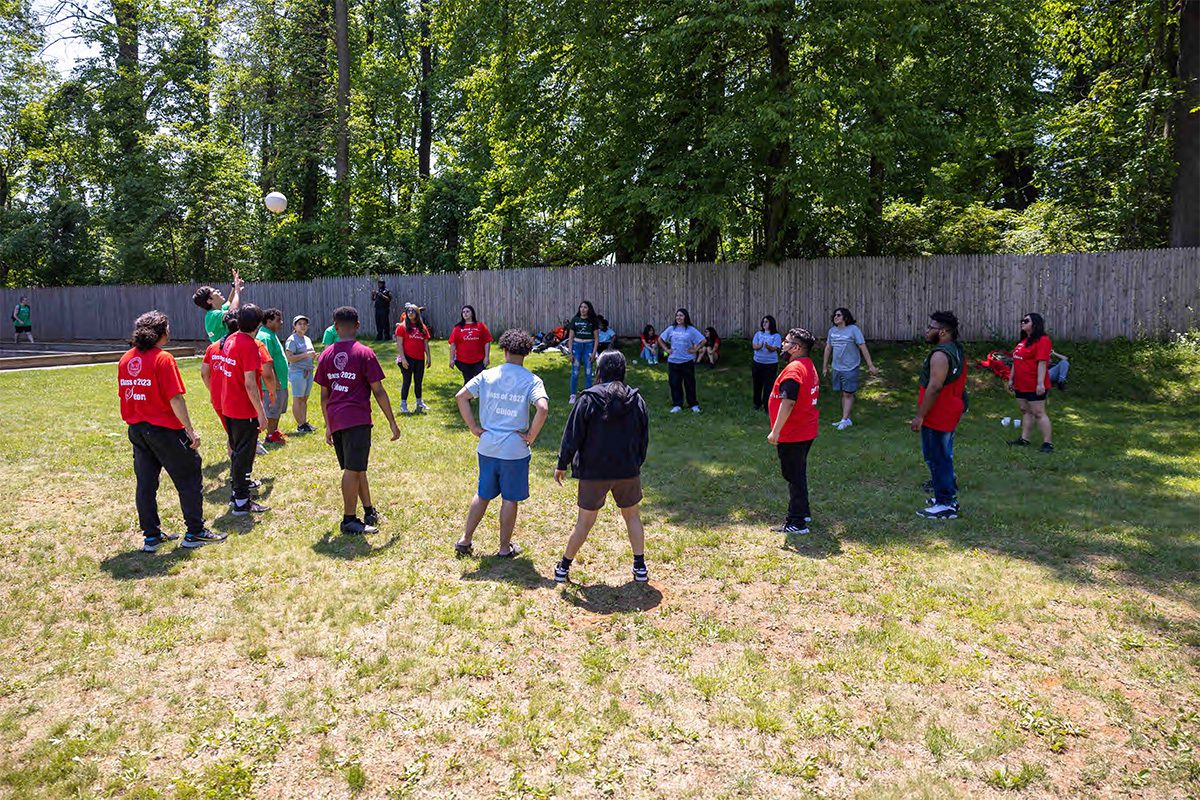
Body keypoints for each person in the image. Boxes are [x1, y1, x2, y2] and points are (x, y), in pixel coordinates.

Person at [119, 311, 224, 551]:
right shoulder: (163, 359)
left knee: (146, 484)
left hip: (137, 430)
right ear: (161, 332)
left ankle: (151, 537)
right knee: (189, 478)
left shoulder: (126, 358)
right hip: (164, 430)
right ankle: (195, 532)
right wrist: (190, 430)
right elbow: (175, 398)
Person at [553, 350, 650, 584]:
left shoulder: (587, 399)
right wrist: (636, 462)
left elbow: (572, 435)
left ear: (600, 371)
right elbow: (643, 437)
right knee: (633, 517)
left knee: (584, 523)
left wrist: (562, 463)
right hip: (627, 469)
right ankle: (640, 567)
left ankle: (563, 568)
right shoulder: (636, 400)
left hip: (594, 471)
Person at [454, 329, 549, 558]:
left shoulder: (487, 375)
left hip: (487, 447)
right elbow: (542, 408)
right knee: (510, 498)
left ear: (504, 350)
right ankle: (504, 547)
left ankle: (465, 540)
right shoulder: (532, 380)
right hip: (514, 450)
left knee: (483, 494)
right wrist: (531, 436)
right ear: (527, 353)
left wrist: (474, 428)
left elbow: (461, 396)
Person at [315, 306, 402, 534]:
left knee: (356, 467)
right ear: (358, 325)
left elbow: (324, 396)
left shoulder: (325, 355)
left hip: (336, 419)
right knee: (353, 470)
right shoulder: (365, 353)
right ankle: (349, 519)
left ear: (335, 328)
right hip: (357, 419)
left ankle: (368, 509)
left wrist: (328, 425)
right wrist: (392, 421)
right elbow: (379, 391)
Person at [911, 310, 967, 519]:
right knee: (940, 456)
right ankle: (943, 496)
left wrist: (920, 415)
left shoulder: (941, 354)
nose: (927, 331)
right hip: (949, 410)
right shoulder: (956, 349)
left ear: (943, 332)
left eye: (931, 328)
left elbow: (935, 386)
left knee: (938, 458)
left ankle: (946, 504)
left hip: (939, 413)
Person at [766, 328, 819, 535]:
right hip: (805, 430)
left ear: (796, 348)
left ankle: (796, 522)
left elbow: (788, 402)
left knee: (793, 476)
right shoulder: (807, 364)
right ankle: (803, 512)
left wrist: (775, 432)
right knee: (799, 473)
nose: (782, 345)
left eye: (786, 342)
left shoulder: (794, 370)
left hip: (794, 433)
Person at [219, 303, 271, 515]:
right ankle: (241, 501)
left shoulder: (230, 339)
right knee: (244, 455)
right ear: (258, 325)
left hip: (228, 405)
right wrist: (261, 413)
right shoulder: (249, 344)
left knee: (238, 452)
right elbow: (250, 383)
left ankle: (236, 494)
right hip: (243, 409)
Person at [822, 307, 879, 431]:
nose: (835, 317)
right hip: (837, 367)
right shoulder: (832, 331)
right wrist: (825, 366)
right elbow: (828, 348)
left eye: (838, 315)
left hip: (850, 367)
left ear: (845, 317)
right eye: (834, 315)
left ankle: (844, 419)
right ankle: (846, 419)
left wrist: (870, 365)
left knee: (848, 393)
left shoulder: (853, 330)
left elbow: (862, 347)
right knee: (843, 393)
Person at [1007, 312, 1054, 452]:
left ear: (1035, 324)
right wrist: (1011, 379)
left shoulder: (1043, 340)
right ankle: (1024, 439)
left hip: (1034, 384)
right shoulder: (1022, 342)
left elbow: (1042, 363)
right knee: (1025, 411)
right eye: (1022, 320)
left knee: (1039, 412)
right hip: (1021, 384)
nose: (1022, 322)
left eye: (1026, 320)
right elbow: (1016, 361)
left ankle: (1048, 443)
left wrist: (1040, 383)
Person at [659, 308, 706, 413]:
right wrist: (666, 349)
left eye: (681, 315)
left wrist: (695, 349)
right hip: (673, 361)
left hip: (687, 361)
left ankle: (693, 404)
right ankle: (677, 404)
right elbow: (660, 339)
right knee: (675, 383)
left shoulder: (690, 329)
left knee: (689, 383)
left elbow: (703, 340)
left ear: (685, 317)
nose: (678, 317)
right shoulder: (671, 329)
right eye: (677, 316)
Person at [394, 303, 432, 414]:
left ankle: (419, 402)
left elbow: (426, 344)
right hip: (407, 358)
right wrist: (403, 359)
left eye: (412, 311)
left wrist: (428, 357)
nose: (410, 313)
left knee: (418, 381)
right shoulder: (402, 327)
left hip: (419, 359)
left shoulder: (423, 327)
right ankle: (403, 404)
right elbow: (399, 344)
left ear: (417, 313)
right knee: (407, 381)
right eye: (408, 311)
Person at [258, 308, 289, 444]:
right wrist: (274, 380)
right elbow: (266, 362)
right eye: (278, 320)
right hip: (272, 383)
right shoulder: (265, 337)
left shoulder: (271, 334)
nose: (281, 323)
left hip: (280, 382)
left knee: (277, 409)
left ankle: (274, 431)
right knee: (272, 409)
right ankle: (270, 436)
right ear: (268, 321)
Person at [285, 314, 317, 432]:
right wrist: (306, 355)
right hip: (297, 372)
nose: (303, 326)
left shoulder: (307, 339)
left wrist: (313, 357)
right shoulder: (292, 340)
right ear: (295, 326)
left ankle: (304, 423)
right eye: (300, 324)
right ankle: (300, 425)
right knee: (298, 399)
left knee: (304, 399)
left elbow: (309, 355)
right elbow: (289, 358)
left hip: (308, 371)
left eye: (305, 324)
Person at [192, 270, 243, 343]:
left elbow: (230, 302)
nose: (218, 291)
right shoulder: (213, 315)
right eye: (214, 291)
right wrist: (237, 292)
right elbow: (232, 313)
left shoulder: (219, 309)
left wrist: (234, 286)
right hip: (222, 351)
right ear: (209, 300)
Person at [448, 305, 493, 384]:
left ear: (472, 313)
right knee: (468, 381)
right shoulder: (458, 328)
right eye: (463, 312)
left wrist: (486, 357)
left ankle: (481, 395)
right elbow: (453, 344)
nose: (465, 313)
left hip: (479, 359)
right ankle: (467, 396)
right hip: (463, 360)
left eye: (467, 311)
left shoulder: (480, 326)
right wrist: (451, 359)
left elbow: (487, 342)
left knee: (480, 380)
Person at [567, 300, 598, 404]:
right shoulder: (575, 320)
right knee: (575, 372)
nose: (583, 309)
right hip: (577, 346)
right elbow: (570, 338)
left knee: (588, 372)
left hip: (588, 347)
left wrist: (594, 353)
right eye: (581, 307)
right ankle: (572, 395)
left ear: (589, 309)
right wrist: (570, 352)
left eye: (585, 307)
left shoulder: (592, 321)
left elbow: (596, 339)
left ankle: (588, 395)